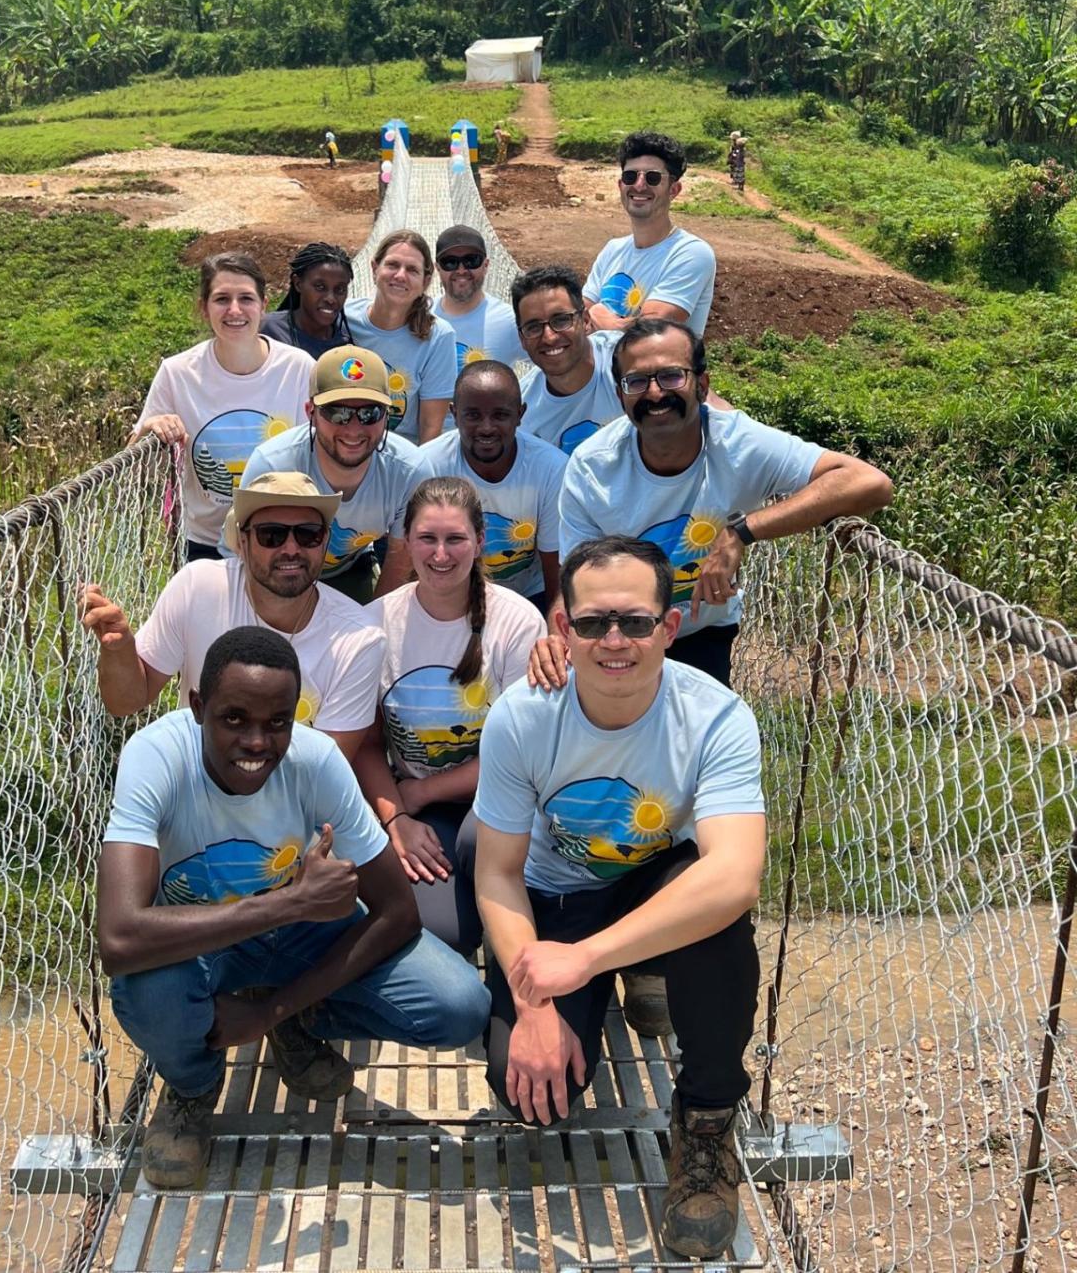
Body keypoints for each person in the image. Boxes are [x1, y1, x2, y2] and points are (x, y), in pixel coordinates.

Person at [99, 626, 490, 1188]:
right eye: (234, 719)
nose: (257, 742)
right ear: (197, 707)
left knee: (459, 1005)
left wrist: (272, 1011)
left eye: (277, 722)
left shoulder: (316, 760)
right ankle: (190, 1088)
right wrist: (289, 903)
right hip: (204, 948)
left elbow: (398, 911)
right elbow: (118, 938)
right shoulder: (155, 758)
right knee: (148, 986)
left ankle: (297, 1017)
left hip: (298, 941)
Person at [471, 537, 765, 1260]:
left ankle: (705, 1125)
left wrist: (586, 959)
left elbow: (734, 874)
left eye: (635, 622)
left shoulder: (718, 717)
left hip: (647, 887)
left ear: (669, 627)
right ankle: (623, 974)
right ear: (562, 626)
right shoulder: (522, 715)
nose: (613, 640)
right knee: (533, 1098)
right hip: (554, 897)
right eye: (593, 621)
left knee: (718, 926)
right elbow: (497, 873)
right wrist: (536, 1000)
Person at [555, 317, 894, 688]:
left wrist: (742, 531)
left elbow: (870, 483)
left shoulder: (739, 443)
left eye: (671, 376)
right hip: (617, 633)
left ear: (702, 384)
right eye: (636, 382)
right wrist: (556, 638)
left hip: (701, 632)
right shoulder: (591, 467)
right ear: (620, 397)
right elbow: (574, 577)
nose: (654, 393)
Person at [356, 477, 544, 955]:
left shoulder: (517, 623)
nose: (441, 554)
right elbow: (368, 742)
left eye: (455, 539)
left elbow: (521, 755)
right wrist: (395, 816)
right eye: (427, 539)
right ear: (407, 543)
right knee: (446, 934)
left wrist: (419, 791)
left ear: (480, 542)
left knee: (481, 845)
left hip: (500, 795)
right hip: (420, 804)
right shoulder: (375, 624)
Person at [80, 472, 384, 762]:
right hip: (195, 787)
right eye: (271, 535)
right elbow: (125, 702)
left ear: (325, 541)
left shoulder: (358, 640)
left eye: (308, 535)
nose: (291, 549)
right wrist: (119, 650)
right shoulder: (198, 587)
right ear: (241, 542)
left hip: (289, 804)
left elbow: (323, 773)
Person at [131, 252, 312, 561]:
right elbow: (135, 464)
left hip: (280, 536)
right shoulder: (177, 373)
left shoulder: (299, 369)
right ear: (204, 308)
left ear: (263, 305)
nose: (235, 310)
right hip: (205, 542)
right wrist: (150, 429)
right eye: (221, 299)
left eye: (246, 298)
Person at [239, 347, 421, 604]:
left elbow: (400, 558)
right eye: (338, 413)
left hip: (349, 570)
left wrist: (372, 624)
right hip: (274, 576)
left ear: (386, 416)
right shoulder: (271, 464)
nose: (354, 429)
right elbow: (242, 557)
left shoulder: (410, 471)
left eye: (371, 413)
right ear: (310, 412)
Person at [420, 360, 566, 611]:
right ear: (454, 414)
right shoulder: (427, 467)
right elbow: (418, 560)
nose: (486, 427)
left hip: (529, 595)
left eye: (500, 415)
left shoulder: (551, 469)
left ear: (520, 415)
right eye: (473, 415)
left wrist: (554, 634)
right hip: (453, 592)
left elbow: (555, 570)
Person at [584, 131, 716, 336]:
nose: (639, 185)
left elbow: (650, 331)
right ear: (620, 185)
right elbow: (576, 316)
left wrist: (599, 316)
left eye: (652, 178)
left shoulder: (691, 253)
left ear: (674, 190)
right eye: (630, 176)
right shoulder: (612, 250)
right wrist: (596, 316)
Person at [344, 231, 455, 444]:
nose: (400, 275)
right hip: (345, 445)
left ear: (426, 281)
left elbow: (430, 427)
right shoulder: (343, 319)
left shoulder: (438, 337)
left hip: (402, 455)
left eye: (412, 270)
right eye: (392, 265)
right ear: (375, 269)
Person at [513, 265, 622, 456]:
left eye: (561, 320)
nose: (549, 337)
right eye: (533, 327)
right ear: (522, 339)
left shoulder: (628, 363)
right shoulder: (522, 413)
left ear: (586, 321)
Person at [432, 225, 525, 373]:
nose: (461, 270)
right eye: (450, 262)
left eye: (471, 260)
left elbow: (552, 364)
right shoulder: (422, 318)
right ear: (437, 268)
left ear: (486, 265)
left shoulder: (509, 321)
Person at [261, 243, 356, 360]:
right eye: (320, 287)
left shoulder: (347, 343)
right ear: (298, 284)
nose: (331, 299)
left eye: (340, 289)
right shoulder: (268, 331)